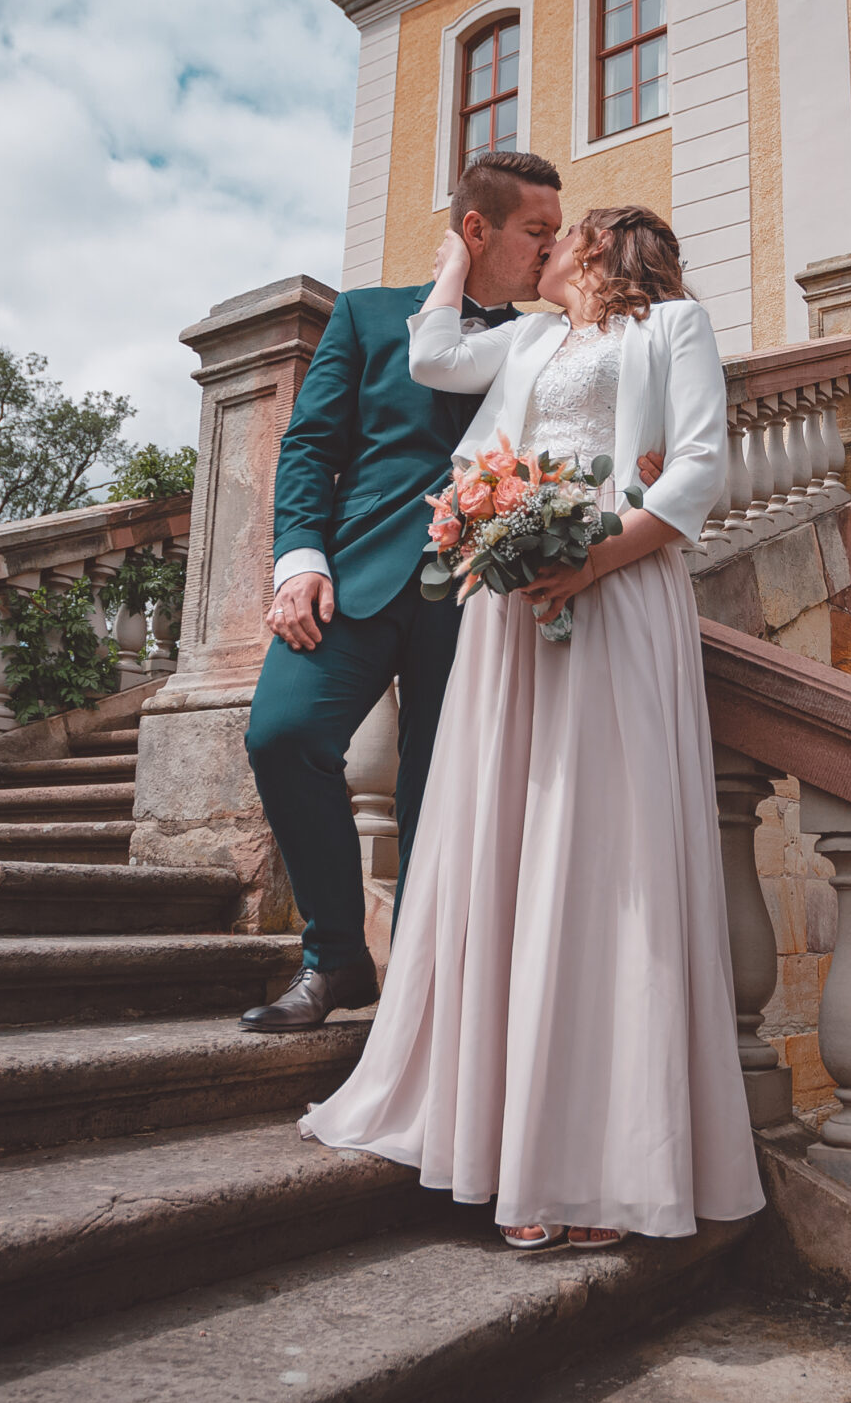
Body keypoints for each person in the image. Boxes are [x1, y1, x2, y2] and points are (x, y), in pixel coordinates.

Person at [300, 206, 765, 1251]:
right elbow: (435, 357)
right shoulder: (528, 338)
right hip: (508, 610)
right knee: (508, 848)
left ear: (602, 249)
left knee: (606, 854)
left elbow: (698, 467)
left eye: (564, 235)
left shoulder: (674, 327)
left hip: (618, 589)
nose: (544, 249)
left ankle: (601, 1163)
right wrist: (455, 259)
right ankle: (502, 1134)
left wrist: (591, 557)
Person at [237, 151, 563, 1032]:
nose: (551, 247)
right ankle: (337, 955)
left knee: (443, 791)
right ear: (476, 229)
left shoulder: (545, 336)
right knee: (282, 733)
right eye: (536, 230)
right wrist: (300, 558)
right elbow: (310, 446)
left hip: (484, 595)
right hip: (355, 578)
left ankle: (424, 998)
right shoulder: (368, 315)